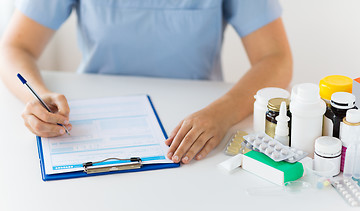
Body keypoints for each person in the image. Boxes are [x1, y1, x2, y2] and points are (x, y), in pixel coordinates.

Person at [0, 0, 292, 164]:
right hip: (92, 124)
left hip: (200, 125)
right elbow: (13, 48)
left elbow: (276, 57)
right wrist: (37, 98)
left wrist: (223, 112)